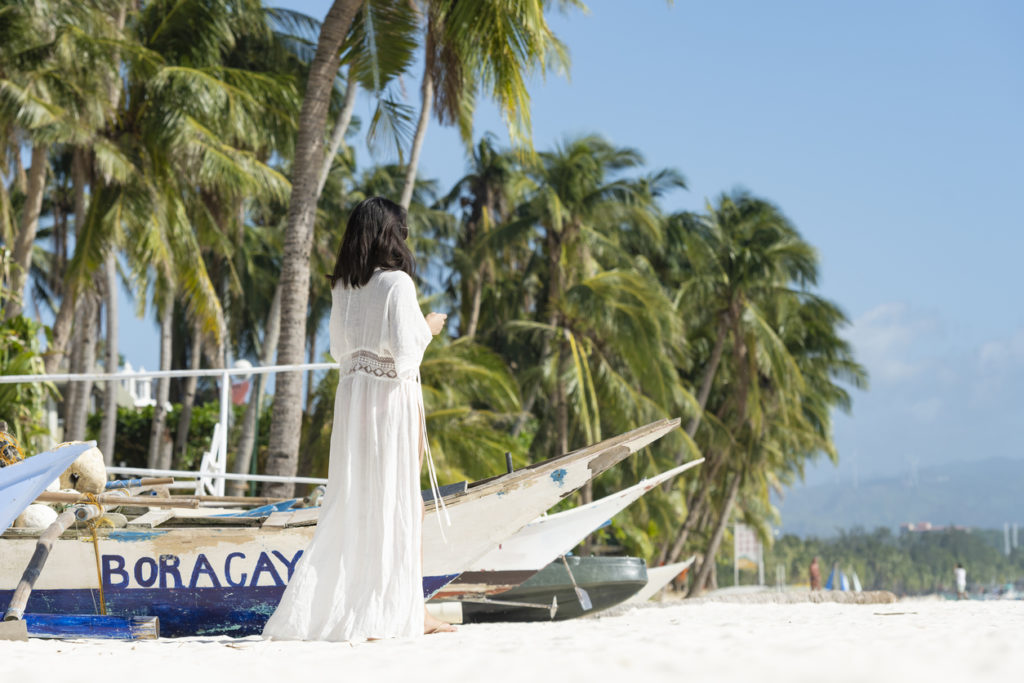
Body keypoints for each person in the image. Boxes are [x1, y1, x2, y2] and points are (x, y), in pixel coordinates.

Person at [262, 196, 454, 642]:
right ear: (392, 235)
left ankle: (372, 605)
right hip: (388, 403)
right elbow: (406, 353)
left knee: (358, 503)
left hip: (354, 403)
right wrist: (430, 325)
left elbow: (341, 351)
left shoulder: (344, 288)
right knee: (405, 504)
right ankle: (408, 612)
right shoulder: (397, 285)